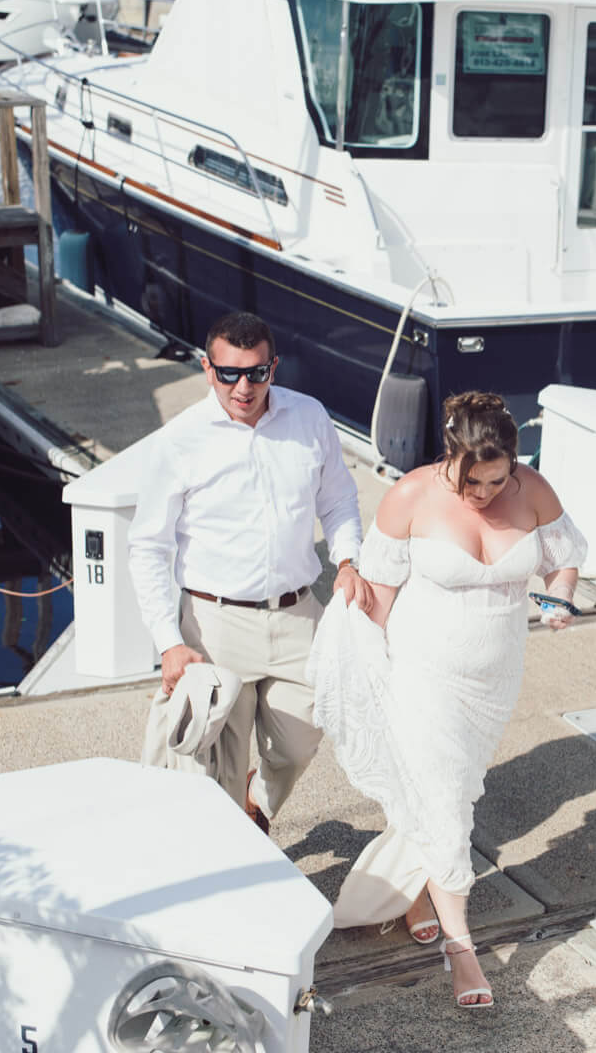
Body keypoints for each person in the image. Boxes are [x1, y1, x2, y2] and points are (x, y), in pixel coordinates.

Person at [310, 391, 586, 1009]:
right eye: (473, 481)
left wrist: (561, 599)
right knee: (445, 803)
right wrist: (359, 649)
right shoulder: (410, 496)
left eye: (498, 478)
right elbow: (379, 597)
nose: (486, 492)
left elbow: (565, 561)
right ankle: (463, 952)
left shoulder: (533, 490)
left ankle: (412, 894)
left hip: (494, 681)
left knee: (451, 792)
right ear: (451, 456)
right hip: (424, 676)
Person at [129, 311, 372, 832]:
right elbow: (147, 547)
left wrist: (348, 560)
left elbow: (340, 502)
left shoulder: (309, 419)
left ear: (274, 367)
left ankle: (256, 803)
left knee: (308, 728)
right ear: (206, 368)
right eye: (229, 373)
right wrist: (169, 642)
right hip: (216, 624)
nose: (244, 387)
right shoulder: (179, 440)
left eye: (257, 373)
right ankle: (235, 853)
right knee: (219, 764)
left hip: (298, 613)